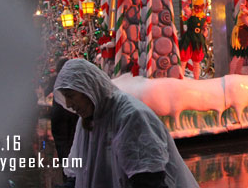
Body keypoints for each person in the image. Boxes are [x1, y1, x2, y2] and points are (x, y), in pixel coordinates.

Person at [53, 59, 199, 188]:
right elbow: (81, 173)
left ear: (87, 88)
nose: (68, 104)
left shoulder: (131, 117)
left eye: (71, 96)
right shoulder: (88, 120)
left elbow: (147, 179)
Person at [44, 59, 78, 187]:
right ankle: (70, 177)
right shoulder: (72, 81)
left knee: (64, 147)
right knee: (70, 145)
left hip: (60, 116)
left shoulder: (57, 79)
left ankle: (68, 176)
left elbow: (47, 91)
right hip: (70, 117)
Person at [179, 0, 210, 80]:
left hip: (198, 39)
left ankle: (196, 79)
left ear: (202, 7)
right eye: (196, 7)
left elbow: (205, 27)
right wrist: (189, 0)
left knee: (196, 61)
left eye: (199, 7)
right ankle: (181, 79)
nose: (197, 9)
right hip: (189, 37)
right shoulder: (191, 13)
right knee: (184, 59)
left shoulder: (204, 17)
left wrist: (205, 34)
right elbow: (184, 7)